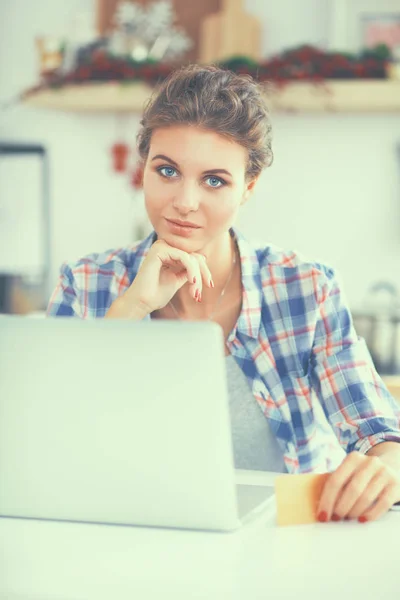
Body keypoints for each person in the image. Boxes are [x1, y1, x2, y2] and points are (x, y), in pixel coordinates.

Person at [47, 64, 400, 523]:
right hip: (132, 534)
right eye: (167, 170)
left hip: (281, 544)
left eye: (214, 180)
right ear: (144, 170)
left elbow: (377, 431)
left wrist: (387, 465)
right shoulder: (86, 283)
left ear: (248, 188)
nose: (185, 202)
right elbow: (51, 440)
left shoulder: (306, 288)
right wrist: (131, 310)